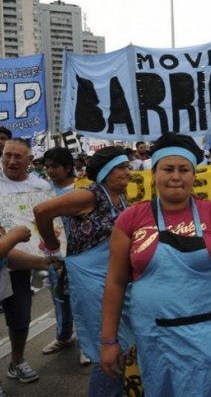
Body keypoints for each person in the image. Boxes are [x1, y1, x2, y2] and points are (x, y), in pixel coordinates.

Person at [100, 133, 211, 396]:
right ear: (154, 173)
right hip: (158, 338)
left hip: (210, 336)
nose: (176, 176)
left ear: (194, 174)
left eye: (184, 169)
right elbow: (115, 282)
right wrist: (109, 340)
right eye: (168, 169)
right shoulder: (130, 219)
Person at [34, 146, 133, 396]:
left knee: (120, 342)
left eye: (127, 166)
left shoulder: (120, 196)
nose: (128, 172)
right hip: (91, 279)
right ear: (107, 171)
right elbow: (41, 212)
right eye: (122, 167)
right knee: (108, 347)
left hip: (114, 275)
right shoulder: (88, 196)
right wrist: (53, 245)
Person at [0, 138, 51, 384]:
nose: (11, 160)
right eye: (7, 155)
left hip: (22, 267)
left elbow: (51, 226)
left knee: (20, 319)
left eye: (17, 156)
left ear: (29, 160)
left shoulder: (41, 187)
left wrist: (49, 254)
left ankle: (17, 361)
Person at [40, 148, 91, 366]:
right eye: (48, 166)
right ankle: (63, 336)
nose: (50, 171)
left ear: (68, 167)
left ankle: (88, 345)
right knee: (60, 297)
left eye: (55, 166)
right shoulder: (43, 190)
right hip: (54, 254)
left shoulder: (83, 188)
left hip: (82, 255)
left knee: (83, 300)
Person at [0, 225, 55, 396]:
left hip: (12, 272)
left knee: (21, 319)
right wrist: (15, 236)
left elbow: (6, 253)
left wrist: (41, 263)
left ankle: (17, 363)